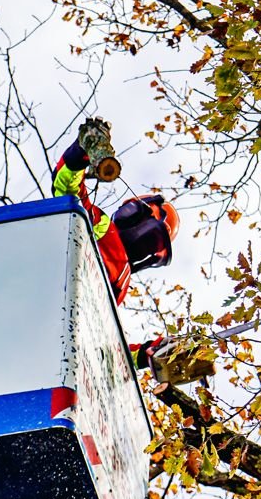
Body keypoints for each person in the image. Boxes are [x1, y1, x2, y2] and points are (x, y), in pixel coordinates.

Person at [53, 118, 212, 384]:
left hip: (57, 334)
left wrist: (153, 353)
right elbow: (66, 187)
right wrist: (82, 150)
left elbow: (104, 349)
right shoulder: (101, 233)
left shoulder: (117, 272)